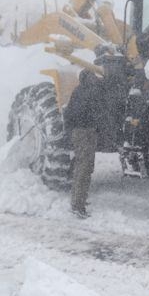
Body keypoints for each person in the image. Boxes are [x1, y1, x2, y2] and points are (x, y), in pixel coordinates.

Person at [63, 69, 104, 218]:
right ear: (86, 79)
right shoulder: (85, 92)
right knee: (83, 168)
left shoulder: (80, 91)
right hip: (83, 133)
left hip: (87, 132)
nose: (95, 78)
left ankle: (79, 200)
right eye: (92, 76)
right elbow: (80, 113)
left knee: (86, 167)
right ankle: (77, 205)